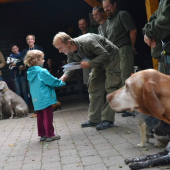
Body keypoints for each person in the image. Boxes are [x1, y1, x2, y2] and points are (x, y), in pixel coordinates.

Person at [53, 32, 122, 130]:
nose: (60, 51)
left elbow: (105, 54)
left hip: (111, 57)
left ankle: (108, 119)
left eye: (60, 47)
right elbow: (70, 65)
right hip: (97, 60)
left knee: (111, 86)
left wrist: (89, 64)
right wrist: (64, 77)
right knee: (94, 86)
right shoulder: (71, 52)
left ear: (68, 43)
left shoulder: (87, 41)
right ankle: (94, 119)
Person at [103, 0, 137, 117]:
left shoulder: (123, 14)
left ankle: (131, 108)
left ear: (114, 4)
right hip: (115, 53)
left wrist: (131, 46)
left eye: (108, 6)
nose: (106, 9)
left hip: (124, 49)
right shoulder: (108, 21)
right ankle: (125, 106)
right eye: (104, 7)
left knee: (126, 78)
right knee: (119, 79)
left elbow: (133, 30)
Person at [24, 50, 66, 142]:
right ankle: (50, 135)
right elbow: (51, 80)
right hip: (45, 98)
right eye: (42, 59)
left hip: (36, 99)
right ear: (36, 60)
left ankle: (42, 135)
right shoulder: (42, 71)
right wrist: (61, 82)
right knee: (48, 116)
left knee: (40, 117)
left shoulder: (30, 73)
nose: (43, 61)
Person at [142, 0, 170, 75]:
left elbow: (166, 21)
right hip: (164, 56)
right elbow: (155, 17)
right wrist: (147, 32)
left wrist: (149, 33)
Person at [21, 34, 44, 118]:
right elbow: (24, 61)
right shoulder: (25, 50)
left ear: (34, 40)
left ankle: (43, 109)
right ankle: (36, 110)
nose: (30, 40)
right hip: (30, 73)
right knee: (33, 92)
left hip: (39, 72)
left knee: (41, 90)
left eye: (31, 39)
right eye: (28, 39)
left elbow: (42, 58)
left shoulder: (39, 48)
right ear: (27, 41)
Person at [78, 18, 98, 85]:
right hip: (84, 59)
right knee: (88, 80)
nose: (81, 26)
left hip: (94, 58)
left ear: (87, 24)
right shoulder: (79, 35)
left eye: (83, 24)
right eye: (80, 24)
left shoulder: (93, 31)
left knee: (97, 77)